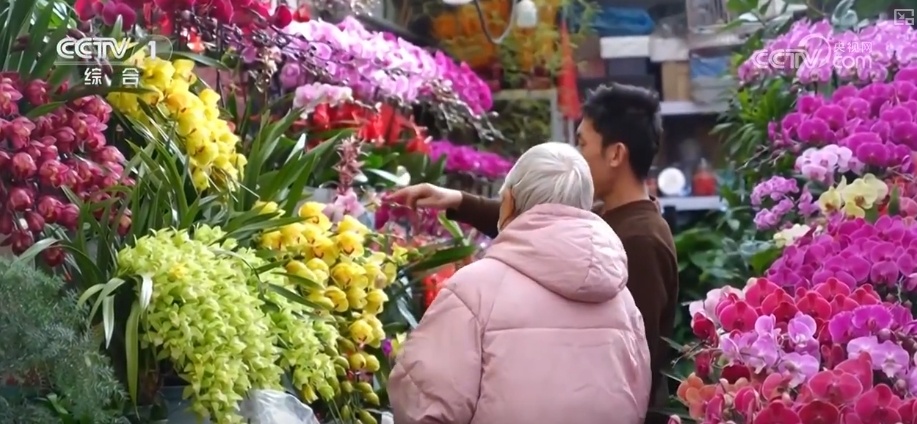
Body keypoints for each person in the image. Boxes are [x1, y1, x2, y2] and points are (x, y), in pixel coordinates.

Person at [390, 83, 678, 424]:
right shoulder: (604, 237)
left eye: (582, 143)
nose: (575, 154)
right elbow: (544, 236)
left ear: (615, 154)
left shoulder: (639, 242)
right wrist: (459, 201)